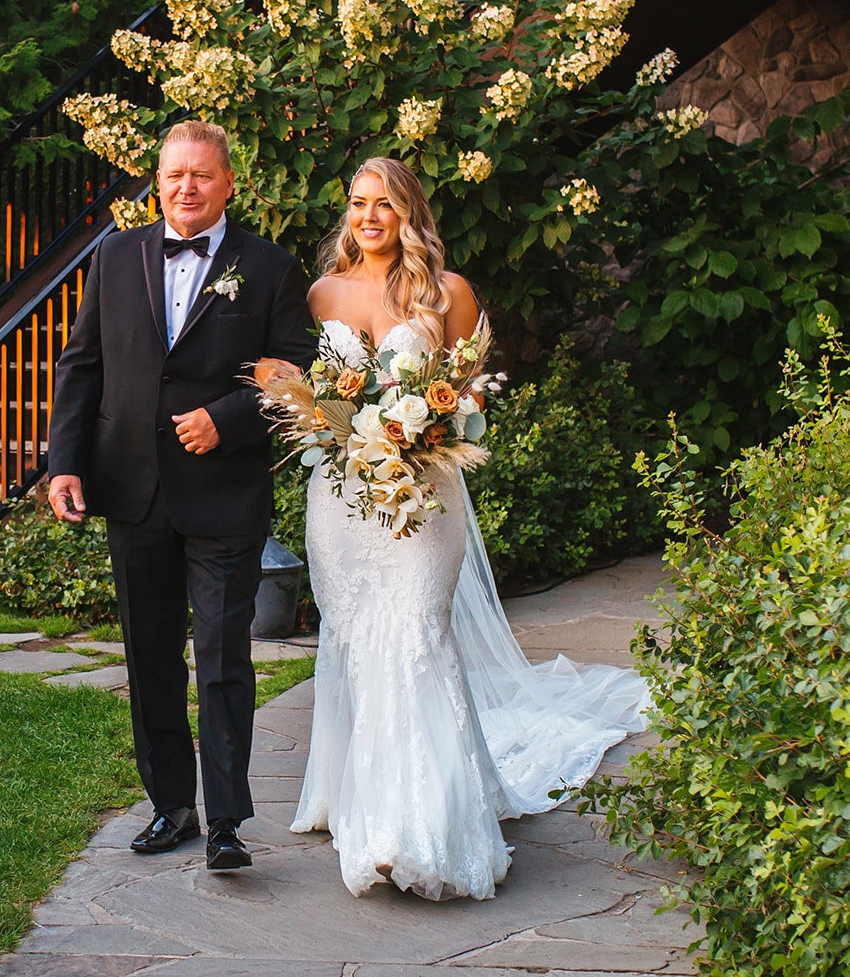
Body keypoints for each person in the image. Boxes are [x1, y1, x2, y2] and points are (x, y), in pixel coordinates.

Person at [263, 158, 648, 901]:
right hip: (341, 498)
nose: (367, 217)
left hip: (423, 496)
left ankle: (423, 823)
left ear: (409, 213)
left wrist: (422, 427)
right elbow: (303, 390)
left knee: (414, 637)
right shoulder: (318, 294)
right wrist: (321, 414)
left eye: (383, 205)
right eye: (356, 203)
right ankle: (354, 797)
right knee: (351, 640)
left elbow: (469, 391)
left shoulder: (449, 293)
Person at [47, 119, 314, 873]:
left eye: (200, 175)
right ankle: (172, 807)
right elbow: (82, 365)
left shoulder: (266, 267)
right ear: (156, 180)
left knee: (223, 654)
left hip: (224, 494)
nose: (185, 188)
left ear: (228, 183)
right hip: (131, 487)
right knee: (151, 653)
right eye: (173, 175)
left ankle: (227, 819)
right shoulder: (115, 255)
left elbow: (299, 370)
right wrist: (64, 461)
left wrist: (226, 421)